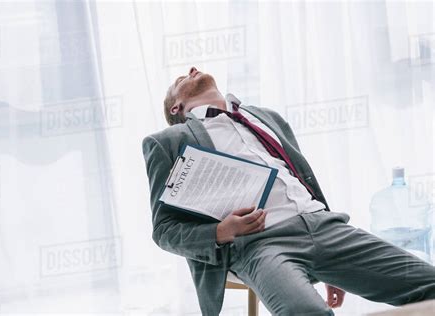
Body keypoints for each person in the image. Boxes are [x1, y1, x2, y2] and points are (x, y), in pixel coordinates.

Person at [141, 67, 435, 315]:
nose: (192, 70)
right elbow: (164, 230)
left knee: (429, 285)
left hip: (326, 228)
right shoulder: (168, 141)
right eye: (181, 79)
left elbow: (301, 180)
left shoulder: (266, 117)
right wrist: (221, 231)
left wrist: (335, 266)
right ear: (175, 108)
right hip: (261, 244)